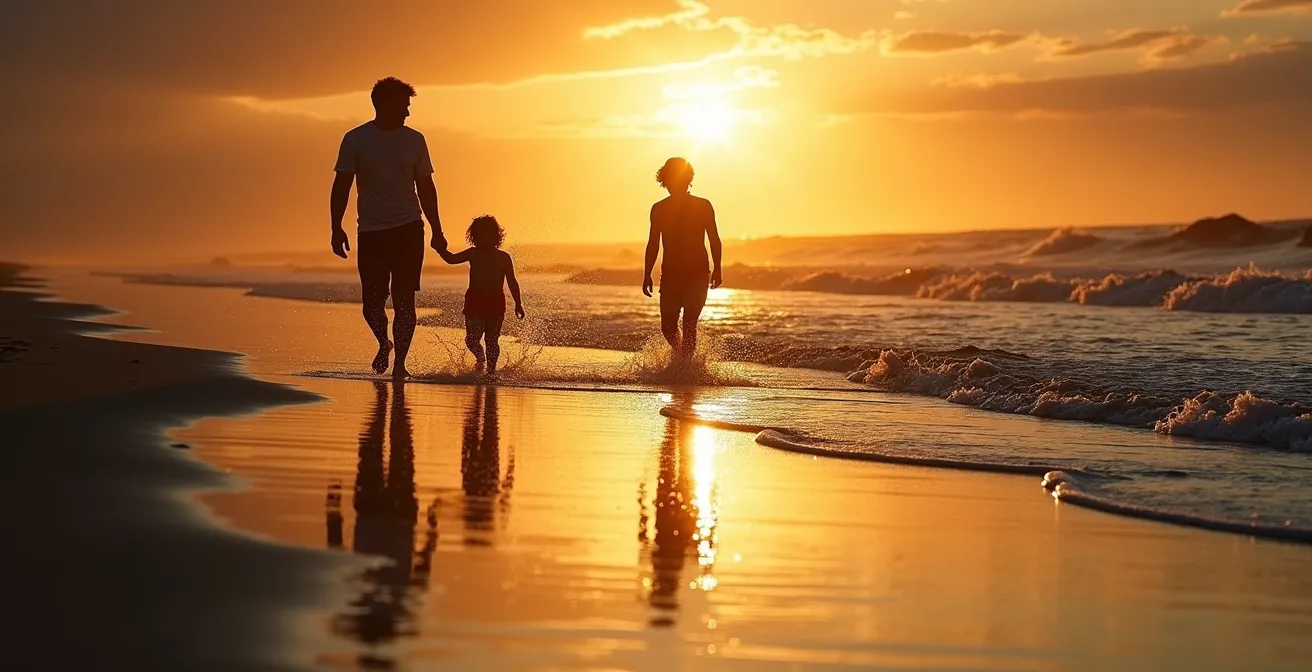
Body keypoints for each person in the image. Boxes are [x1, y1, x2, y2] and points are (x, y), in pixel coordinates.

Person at [329, 77, 447, 379]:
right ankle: (384, 342)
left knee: (405, 299)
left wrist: (437, 230)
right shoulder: (356, 139)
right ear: (383, 104)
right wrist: (336, 227)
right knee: (372, 304)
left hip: (409, 228)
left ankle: (400, 365)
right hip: (371, 231)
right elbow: (342, 185)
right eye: (403, 106)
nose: (408, 112)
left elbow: (426, 187)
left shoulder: (415, 140)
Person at [642, 157, 723, 359]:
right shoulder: (659, 209)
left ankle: (685, 367)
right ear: (665, 181)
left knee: (689, 325)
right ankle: (683, 360)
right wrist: (647, 274)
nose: (673, 184)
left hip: (697, 273)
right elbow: (653, 243)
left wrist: (718, 269)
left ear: (687, 180)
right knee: (668, 327)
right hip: (670, 274)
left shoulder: (703, 206)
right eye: (669, 179)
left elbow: (714, 239)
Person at [438, 215, 525, 376]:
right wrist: (440, 248)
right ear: (474, 236)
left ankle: (491, 372)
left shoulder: (503, 257)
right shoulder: (473, 254)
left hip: (495, 303)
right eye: (479, 234)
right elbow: (451, 259)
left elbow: (512, 281)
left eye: (488, 234)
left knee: (492, 341)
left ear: (495, 236)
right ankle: (480, 357)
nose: (484, 238)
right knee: (471, 340)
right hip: (474, 302)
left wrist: (518, 303)